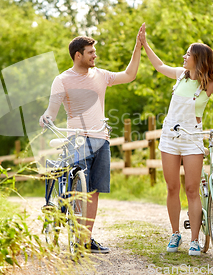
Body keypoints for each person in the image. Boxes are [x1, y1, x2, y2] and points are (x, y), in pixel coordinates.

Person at [39, 27, 143, 253]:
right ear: (78, 55)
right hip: (77, 140)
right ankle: (77, 236)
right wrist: (46, 118)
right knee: (79, 192)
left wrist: (138, 45)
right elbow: (52, 110)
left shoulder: (101, 75)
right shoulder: (62, 80)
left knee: (93, 190)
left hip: (102, 139)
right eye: (90, 52)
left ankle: (86, 239)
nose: (95, 55)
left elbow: (129, 75)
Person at [138, 23, 213, 256]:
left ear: (198, 59)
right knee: (172, 187)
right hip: (170, 135)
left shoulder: (210, 84)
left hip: (193, 137)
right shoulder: (180, 75)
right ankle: (174, 233)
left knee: (191, 189)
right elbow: (159, 65)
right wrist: (144, 45)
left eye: (188, 54)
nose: (184, 56)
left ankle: (194, 240)